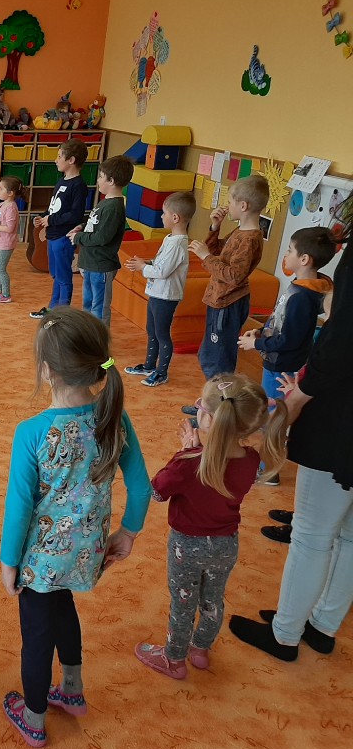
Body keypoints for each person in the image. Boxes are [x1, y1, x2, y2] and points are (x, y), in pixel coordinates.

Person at [0, 307, 151, 748]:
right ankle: (71, 689)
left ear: (47, 370)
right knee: (64, 607)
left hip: (41, 560)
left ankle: (33, 717)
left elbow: (19, 506)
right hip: (88, 551)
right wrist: (128, 532)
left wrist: (8, 561)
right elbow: (141, 487)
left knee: (36, 636)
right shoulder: (113, 415)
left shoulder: (31, 431)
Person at [228, 225, 353, 662]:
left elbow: (340, 338)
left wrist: (301, 393)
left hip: (341, 419)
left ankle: (285, 633)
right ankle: (322, 626)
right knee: (349, 536)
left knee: (312, 535)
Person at [135, 374, 288, 679]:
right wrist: (193, 452)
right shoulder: (251, 459)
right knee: (212, 600)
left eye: (200, 407)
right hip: (226, 544)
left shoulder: (189, 461)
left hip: (186, 547)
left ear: (208, 419)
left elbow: (156, 492)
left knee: (183, 603)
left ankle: (174, 660)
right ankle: (200, 649)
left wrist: (185, 451)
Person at [238, 227, 335, 493]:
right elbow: (279, 321)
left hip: (282, 367)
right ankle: (267, 463)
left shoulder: (304, 296)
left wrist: (256, 344)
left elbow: (289, 340)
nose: (286, 255)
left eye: (290, 250)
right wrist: (261, 331)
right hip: (276, 362)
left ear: (304, 259)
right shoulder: (300, 286)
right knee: (271, 414)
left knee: (275, 419)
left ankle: (268, 470)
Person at [188, 174, 269, 380]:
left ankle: (220, 399)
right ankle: (213, 396)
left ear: (243, 206)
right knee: (209, 354)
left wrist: (205, 257)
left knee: (218, 360)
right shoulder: (241, 231)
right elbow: (219, 252)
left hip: (228, 302)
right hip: (220, 299)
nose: (227, 206)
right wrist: (215, 227)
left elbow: (234, 275)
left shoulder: (250, 239)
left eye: (230, 201)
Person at [123, 192, 195, 387]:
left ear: (175, 218)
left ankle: (161, 373)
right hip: (157, 293)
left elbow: (162, 271)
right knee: (152, 330)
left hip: (166, 296)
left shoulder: (178, 244)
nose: (161, 216)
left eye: (164, 213)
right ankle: (149, 366)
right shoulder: (170, 239)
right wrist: (146, 262)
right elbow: (160, 262)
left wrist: (142, 267)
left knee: (162, 334)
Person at [70, 155, 132, 326]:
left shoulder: (114, 207)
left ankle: (100, 339)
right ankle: (90, 336)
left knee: (99, 308)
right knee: (88, 305)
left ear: (111, 181)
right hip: (91, 263)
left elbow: (103, 237)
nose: (98, 180)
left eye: (101, 177)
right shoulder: (106, 203)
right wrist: (82, 227)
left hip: (101, 266)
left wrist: (78, 237)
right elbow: (96, 225)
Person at [30, 140, 88, 319]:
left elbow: (76, 215)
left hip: (63, 237)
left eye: (59, 156)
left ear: (71, 160)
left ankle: (62, 315)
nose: (56, 160)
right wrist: (43, 216)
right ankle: (53, 308)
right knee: (56, 274)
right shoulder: (61, 181)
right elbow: (54, 207)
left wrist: (51, 219)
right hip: (53, 235)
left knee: (63, 277)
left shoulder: (78, 185)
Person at [0, 176, 23, 304]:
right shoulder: (1, 204)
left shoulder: (11, 207)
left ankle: (6, 294)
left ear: (10, 193)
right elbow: (0, 221)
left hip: (6, 243)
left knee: (1, 268)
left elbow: (10, 228)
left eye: (1, 189)